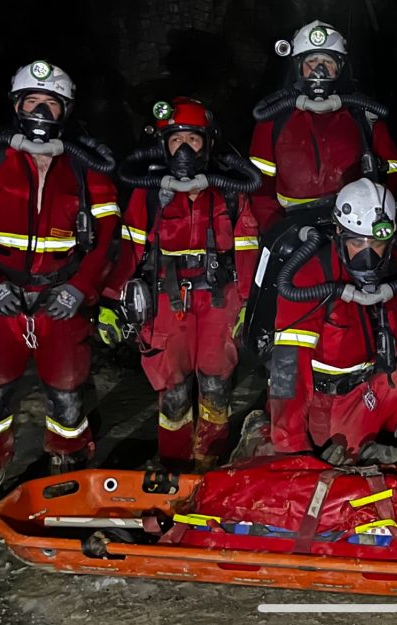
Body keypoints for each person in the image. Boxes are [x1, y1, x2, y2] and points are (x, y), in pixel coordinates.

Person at [0, 60, 119, 548]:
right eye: (31, 101)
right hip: (1, 302)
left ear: (65, 110)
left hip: (60, 300)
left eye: (51, 102)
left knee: (66, 398)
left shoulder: (84, 164)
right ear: (16, 106)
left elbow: (108, 238)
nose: (41, 110)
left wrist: (80, 288)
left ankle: (68, 486)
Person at [99, 97, 261, 472]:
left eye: (193, 140)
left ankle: (209, 463)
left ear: (208, 143)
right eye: (175, 141)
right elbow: (129, 248)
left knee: (217, 387)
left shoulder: (231, 191)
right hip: (166, 300)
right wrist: (110, 300)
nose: (184, 150)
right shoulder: (151, 191)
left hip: (220, 298)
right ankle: (174, 464)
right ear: (162, 145)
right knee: (172, 394)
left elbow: (248, 247)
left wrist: (250, 303)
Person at [269, 178, 397, 469]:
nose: (368, 254)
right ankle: (272, 439)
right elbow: (289, 370)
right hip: (328, 404)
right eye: (356, 242)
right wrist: (292, 448)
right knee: (340, 472)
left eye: (377, 243)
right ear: (339, 233)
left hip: (377, 383)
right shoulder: (310, 278)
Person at [248, 20, 397, 229]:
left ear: (340, 67)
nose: (319, 70)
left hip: (355, 228)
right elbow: (260, 189)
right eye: (311, 62)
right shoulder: (274, 119)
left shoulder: (363, 115)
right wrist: (275, 230)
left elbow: (394, 173)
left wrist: (377, 220)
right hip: (293, 228)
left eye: (327, 62)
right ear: (298, 67)